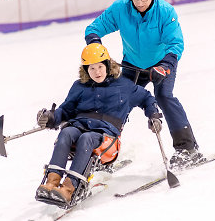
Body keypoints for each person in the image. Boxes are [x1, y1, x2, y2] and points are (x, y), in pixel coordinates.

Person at [84, 0, 203, 170]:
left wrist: (165, 66)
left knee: (164, 97)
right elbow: (94, 29)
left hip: (161, 64)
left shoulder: (165, 12)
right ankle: (105, 152)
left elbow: (175, 43)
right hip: (131, 64)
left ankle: (187, 149)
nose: (140, 2)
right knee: (118, 101)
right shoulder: (120, 9)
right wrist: (96, 47)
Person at [35, 43, 162, 203]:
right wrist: (51, 118)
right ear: (86, 69)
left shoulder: (124, 86)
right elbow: (65, 110)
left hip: (107, 139)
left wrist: (154, 116)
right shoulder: (80, 86)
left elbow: (146, 98)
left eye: (100, 67)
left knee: (86, 138)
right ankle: (51, 183)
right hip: (78, 127)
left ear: (108, 65)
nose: (97, 72)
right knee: (66, 132)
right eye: (92, 68)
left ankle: (69, 188)